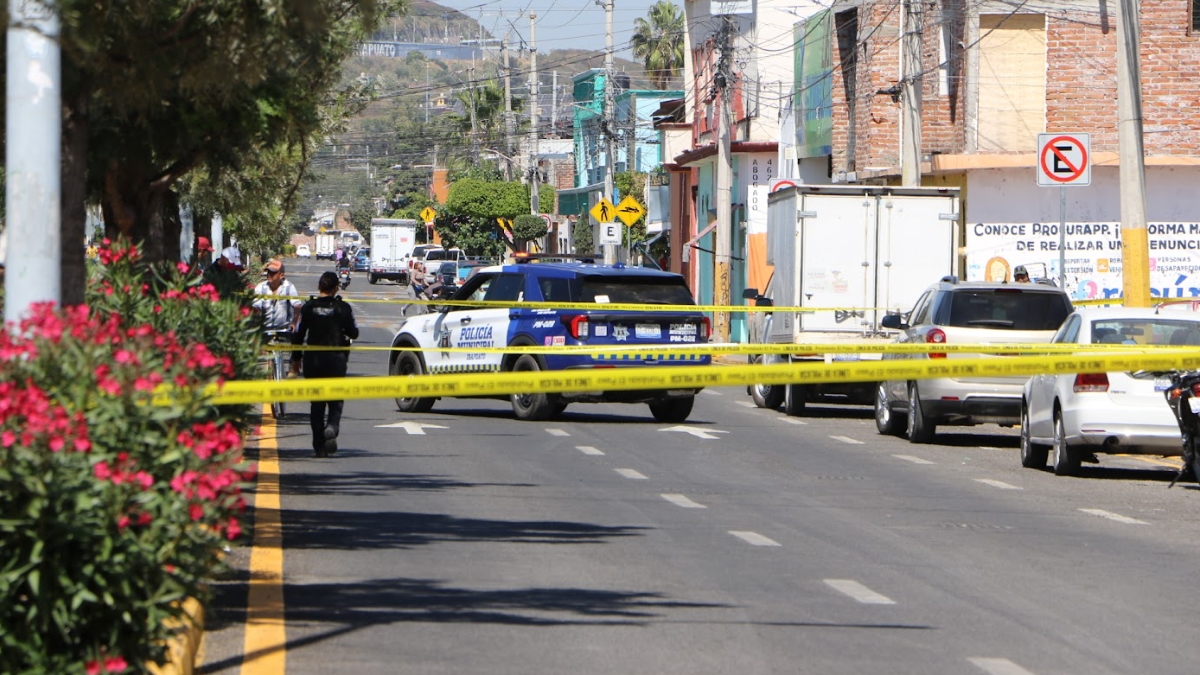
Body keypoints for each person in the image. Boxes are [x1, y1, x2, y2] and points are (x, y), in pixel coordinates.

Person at [291, 271, 359, 457]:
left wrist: (295, 359)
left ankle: (319, 446)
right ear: (336, 287)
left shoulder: (308, 307)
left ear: (319, 287)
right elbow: (354, 333)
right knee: (335, 400)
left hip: (313, 360)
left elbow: (297, 334)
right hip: (336, 359)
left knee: (317, 404)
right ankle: (332, 426)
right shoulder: (343, 308)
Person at [252, 259, 303, 332]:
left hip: (284, 330)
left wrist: (294, 323)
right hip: (264, 330)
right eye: (268, 272)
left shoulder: (289, 287)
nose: (269, 274)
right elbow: (256, 306)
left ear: (281, 275)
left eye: (273, 272)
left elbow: (297, 305)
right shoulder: (260, 287)